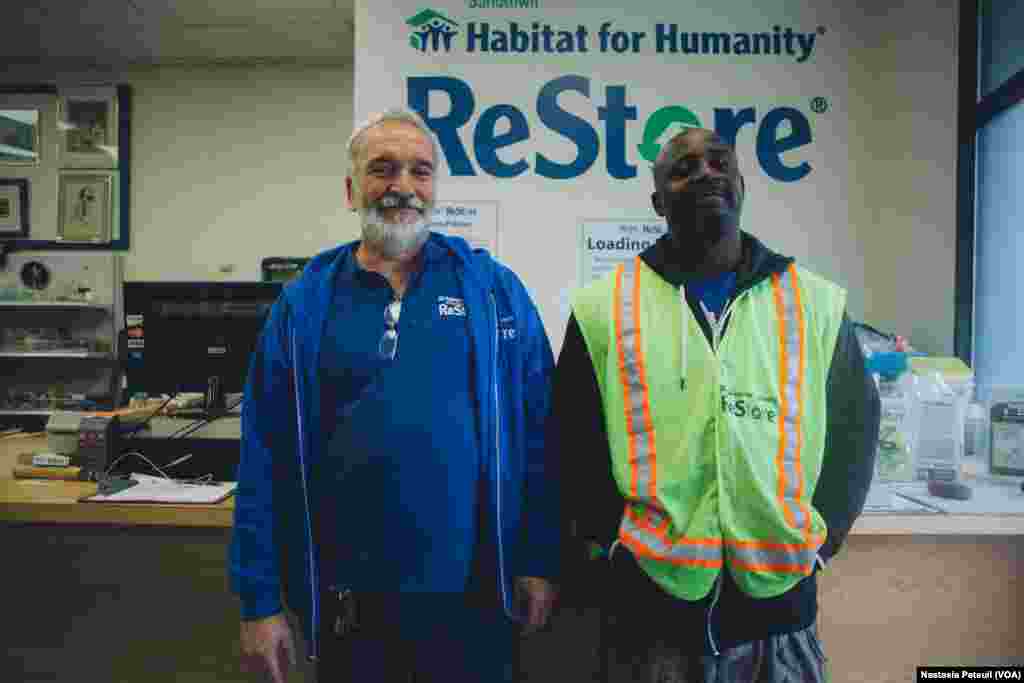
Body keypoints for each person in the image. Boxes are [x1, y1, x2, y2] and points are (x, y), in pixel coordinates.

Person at [229, 108, 559, 683]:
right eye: (382, 169)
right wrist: (258, 600)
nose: (402, 186)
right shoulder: (305, 303)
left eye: (420, 171)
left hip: (474, 604)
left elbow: (541, 436)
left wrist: (540, 559)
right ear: (352, 189)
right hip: (347, 607)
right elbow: (264, 452)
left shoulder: (493, 292)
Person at [552, 127, 880, 682]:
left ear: (741, 184)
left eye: (718, 162)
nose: (704, 173)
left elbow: (856, 427)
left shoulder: (813, 302)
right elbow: (571, 440)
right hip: (651, 609)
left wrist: (823, 545)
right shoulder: (604, 306)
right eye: (683, 169)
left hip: (779, 609)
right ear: (658, 201)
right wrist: (611, 543)